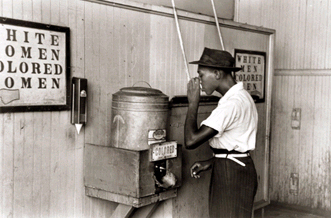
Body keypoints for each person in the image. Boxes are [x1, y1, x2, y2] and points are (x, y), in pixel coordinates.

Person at [184, 47, 258, 218]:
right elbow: (235, 144)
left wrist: (193, 103)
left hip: (231, 174)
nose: (199, 81)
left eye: (201, 75)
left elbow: (191, 140)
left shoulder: (231, 104)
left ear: (217, 74)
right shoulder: (242, 97)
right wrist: (212, 161)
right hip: (238, 167)